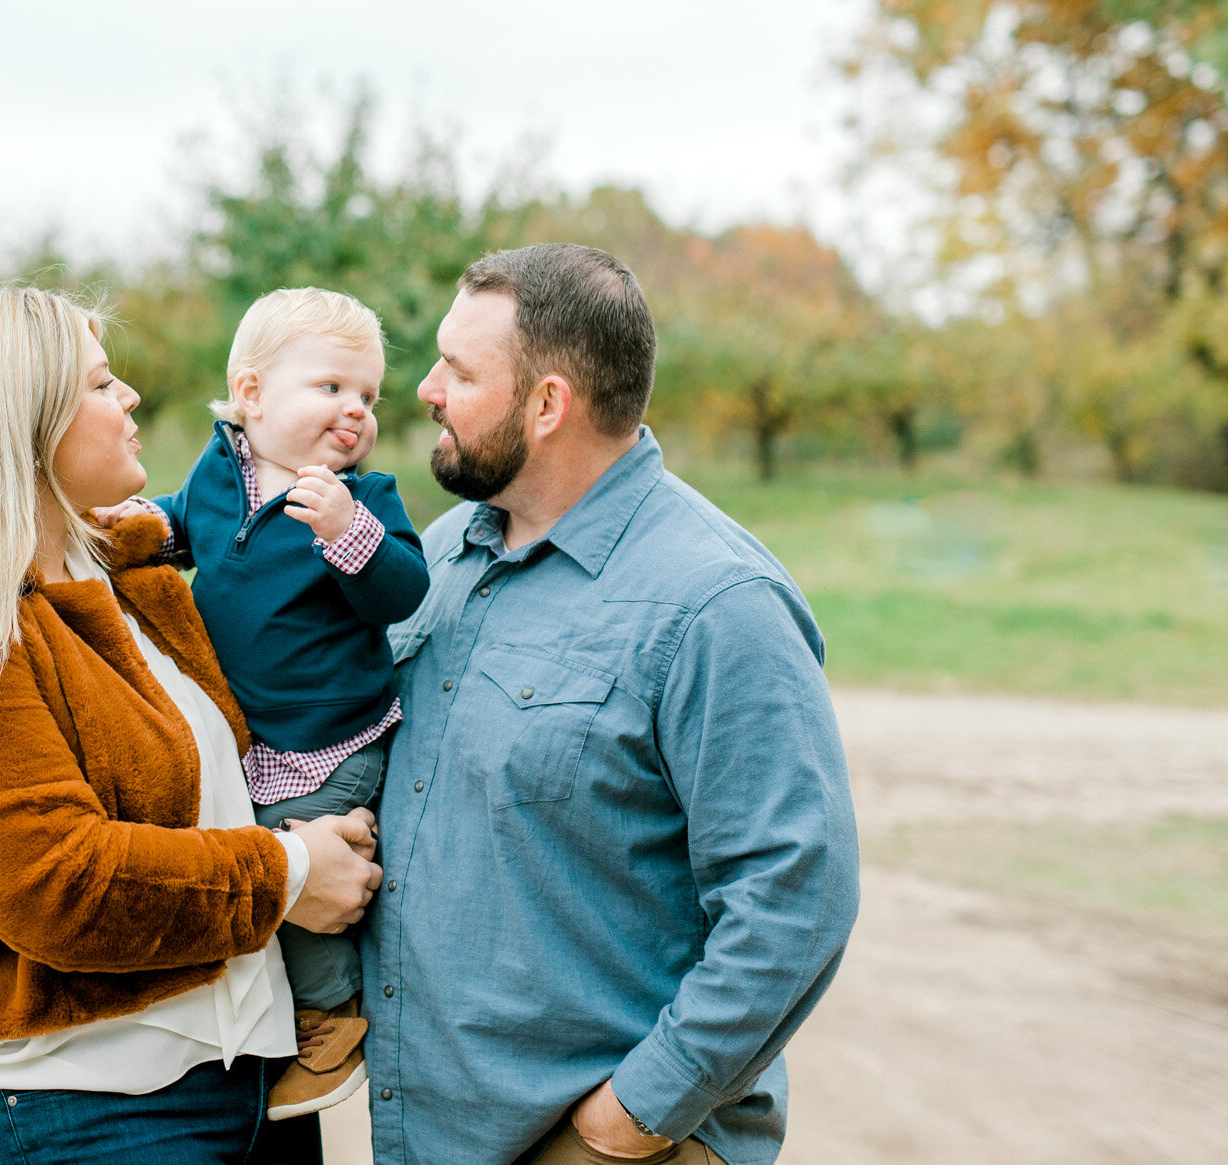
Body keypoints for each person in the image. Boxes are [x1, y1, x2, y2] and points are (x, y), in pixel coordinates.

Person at [0, 286, 382, 1165]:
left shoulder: (116, 575)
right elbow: (59, 882)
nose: (132, 398)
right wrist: (293, 871)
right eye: (103, 384)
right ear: (21, 421)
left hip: (251, 1082)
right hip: (90, 1107)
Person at [361, 245, 860, 1165]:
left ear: (548, 405)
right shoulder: (435, 555)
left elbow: (796, 895)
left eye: (460, 371)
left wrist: (631, 1115)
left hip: (600, 1146)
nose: (426, 388)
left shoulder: (717, 601)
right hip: (431, 1132)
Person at [98, 287, 428, 1119]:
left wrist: (351, 534)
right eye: (331, 388)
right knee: (249, 859)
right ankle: (288, 1011)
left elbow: (402, 589)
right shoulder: (218, 475)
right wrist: (140, 527)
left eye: (369, 397)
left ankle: (332, 1023)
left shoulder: (364, 497)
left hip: (333, 731)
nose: (355, 411)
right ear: (250, 394)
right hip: (255, 735)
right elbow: (185, 527)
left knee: (304, 867)